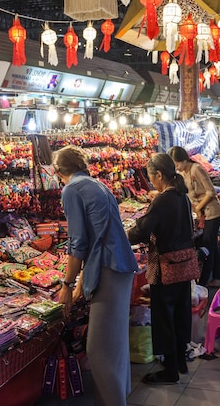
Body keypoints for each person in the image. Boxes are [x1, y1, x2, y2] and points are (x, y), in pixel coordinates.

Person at [54, 146, 138, 406]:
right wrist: (81, 281)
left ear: (58, 172)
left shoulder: (71, 189)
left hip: (108, 269)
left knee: (98, 351)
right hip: (119, 267)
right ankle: (114, 398)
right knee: (115, 346)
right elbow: (95, 237)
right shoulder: (95, 184)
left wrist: (67, 284)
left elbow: (78, 242)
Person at [127, 153, 193, 385]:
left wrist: (126, 233)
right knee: (180, 313)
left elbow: (143, 229)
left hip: (167, 266)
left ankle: (170, 371)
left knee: (164, 316)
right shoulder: (181, 196)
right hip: (184, 265)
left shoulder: (164, 200)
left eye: (151, 176)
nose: (150, 181)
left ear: (159, 175)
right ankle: (180, 361)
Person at [168, 146, 220, 287]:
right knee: (211, 245)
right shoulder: (184, 173)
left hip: (212, 213)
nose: (177, 167)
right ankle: (217, 278)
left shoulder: (196, 169)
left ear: (185, 159)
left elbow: (210, 192)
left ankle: (203, 282)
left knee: (207, 246)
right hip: (203, 214)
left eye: (177, 164)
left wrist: (198, 207)